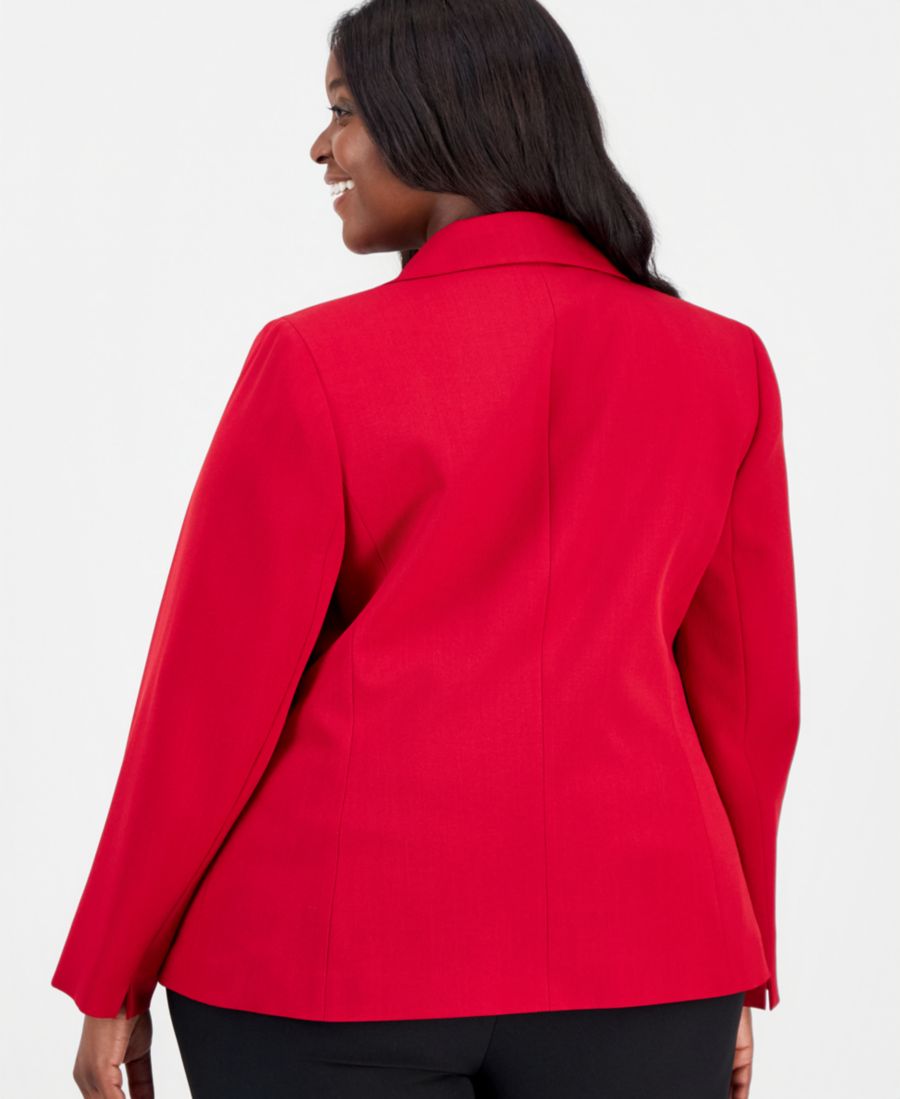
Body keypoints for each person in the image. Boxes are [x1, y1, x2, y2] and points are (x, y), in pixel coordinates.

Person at [53, 1, 801, 1096]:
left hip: (323, 958)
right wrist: (739, 952)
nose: (322, 148)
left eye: (344, 110)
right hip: (650, 954)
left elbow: (208, 701)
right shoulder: (724, 365)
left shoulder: (317, 358)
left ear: (436, 117)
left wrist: (112, 967)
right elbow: (750, 706)